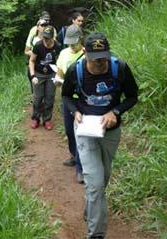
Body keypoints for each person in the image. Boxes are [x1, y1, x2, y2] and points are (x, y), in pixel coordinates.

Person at [61, 32, 139, 239]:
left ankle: (91, 207)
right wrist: (75, 112)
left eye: (104, 56)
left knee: (102, 178)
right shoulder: (75, 71)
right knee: (95, 183)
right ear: (85, 53)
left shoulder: (119, 68)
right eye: (96, 58)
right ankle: (96, 234)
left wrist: (116, 112)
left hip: (110, 132)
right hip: (85, 131)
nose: (101, 62)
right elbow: (67, 96)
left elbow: (132, 96)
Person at [55, 24, 85, 184]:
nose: (72, 46)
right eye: (69, 43)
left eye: (74, 43)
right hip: (68, 98)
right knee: (69, 130)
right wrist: (57, 81)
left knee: (80, 132)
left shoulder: (87, 54)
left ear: (81, 39)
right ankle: (74, 155)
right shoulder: (64, 53)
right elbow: (59, 73)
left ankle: (81, 168)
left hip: (82, 100)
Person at [29, 25, 62, 130]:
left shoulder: (57, 46)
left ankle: (47, 119)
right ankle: (36, 118)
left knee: (49, 98)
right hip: (39, 73)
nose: (46, 40)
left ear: (53, 37)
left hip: (51, 74)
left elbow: (58, 62)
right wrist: (33, 75)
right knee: (38, 98)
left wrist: (58, 76)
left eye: (48, 38)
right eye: (44, 37)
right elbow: (32, 60)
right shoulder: (38, 45)